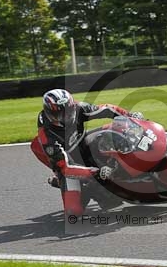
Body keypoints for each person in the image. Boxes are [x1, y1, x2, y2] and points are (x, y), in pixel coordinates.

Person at [30, 89, 142, 217]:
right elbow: (66, 168)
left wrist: (129, 115)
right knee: (74, 212)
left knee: (114, 130)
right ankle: (85, 189)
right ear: (50, 114)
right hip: (69, 164)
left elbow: (106, 109)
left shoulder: (78, 108)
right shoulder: (47, 135)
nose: (67, 116)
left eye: (69, 110)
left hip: (83, 143)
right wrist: (96, 172)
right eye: (61, 114)